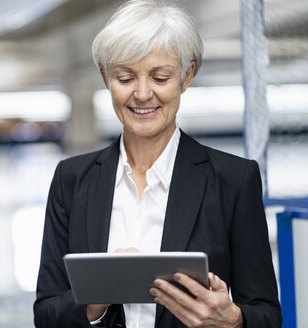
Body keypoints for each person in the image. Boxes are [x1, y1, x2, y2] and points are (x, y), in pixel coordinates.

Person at [33, 0, 282, 327]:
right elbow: (45, 314)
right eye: (125, 78)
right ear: (105, 76)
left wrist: (232, 319)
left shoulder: (233, 180)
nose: (142, 94)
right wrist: (97, 296)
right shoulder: (72, 180)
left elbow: (267, 314)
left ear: (186, 75)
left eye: (161, 77)